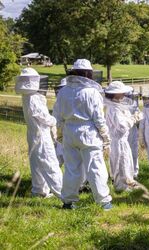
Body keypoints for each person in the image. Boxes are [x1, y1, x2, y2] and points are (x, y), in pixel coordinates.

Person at [53, 59, 112, 210]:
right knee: (95, 167)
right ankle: (104, 201)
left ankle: (68, 201)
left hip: (69, 133)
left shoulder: (63, 91)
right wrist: (105, 136)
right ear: (88, 73)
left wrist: (59, 135)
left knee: (72, 168)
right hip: (89, 133)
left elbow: (57, 116)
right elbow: (99, 118)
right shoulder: (92, 92)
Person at [15, 68, 63, 199]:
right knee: (49, 162)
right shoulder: (32, 98)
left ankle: (39, 190)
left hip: (33, 134)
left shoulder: (27, 96)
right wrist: (54, 120)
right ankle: (64, 195)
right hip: (41, 135)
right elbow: (44, 117)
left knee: (36, 163)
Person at [104, 81, 142, 192]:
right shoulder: (114, 108)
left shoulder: (117, 105)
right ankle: (121, 187)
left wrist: (133, 116)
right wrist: (134, 118)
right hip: (118, 140)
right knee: (121, 162)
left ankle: (128, 183)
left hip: (122, 140)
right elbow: (122, 126)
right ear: (115, 93)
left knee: (126, 161)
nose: (124, 94)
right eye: (121, 92)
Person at [126, 89, 141, 179]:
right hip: (122, 132)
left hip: (133, 130)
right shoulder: (119, 106)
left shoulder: (135, 106)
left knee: (134, 152)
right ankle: (125, 173)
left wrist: (137, 117)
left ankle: (135, 173)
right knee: (123, 153)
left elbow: (139, 118)